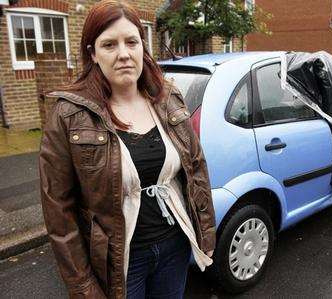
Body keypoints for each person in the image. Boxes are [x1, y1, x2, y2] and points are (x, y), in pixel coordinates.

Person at [39, 1, 216, 298]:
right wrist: (82, 285)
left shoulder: (167, 97)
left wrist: (206, 233)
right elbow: (58, 211)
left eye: (131, 42)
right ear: (93, 54)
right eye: (109, 44)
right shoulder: (69, 115)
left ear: (142, 48)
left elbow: (196, 167)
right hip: (118, 261)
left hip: (174, 244)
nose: (123, 54)